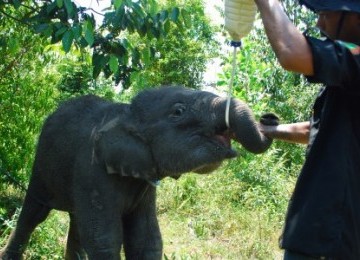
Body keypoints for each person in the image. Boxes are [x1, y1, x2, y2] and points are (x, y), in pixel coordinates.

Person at [252, 0, 360, 259]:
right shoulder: (349, 77)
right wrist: (267, 130)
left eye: (325, 15)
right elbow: (317, 129)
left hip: (330, 236)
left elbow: (291, 52)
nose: (318, 23)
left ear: (356, 18)